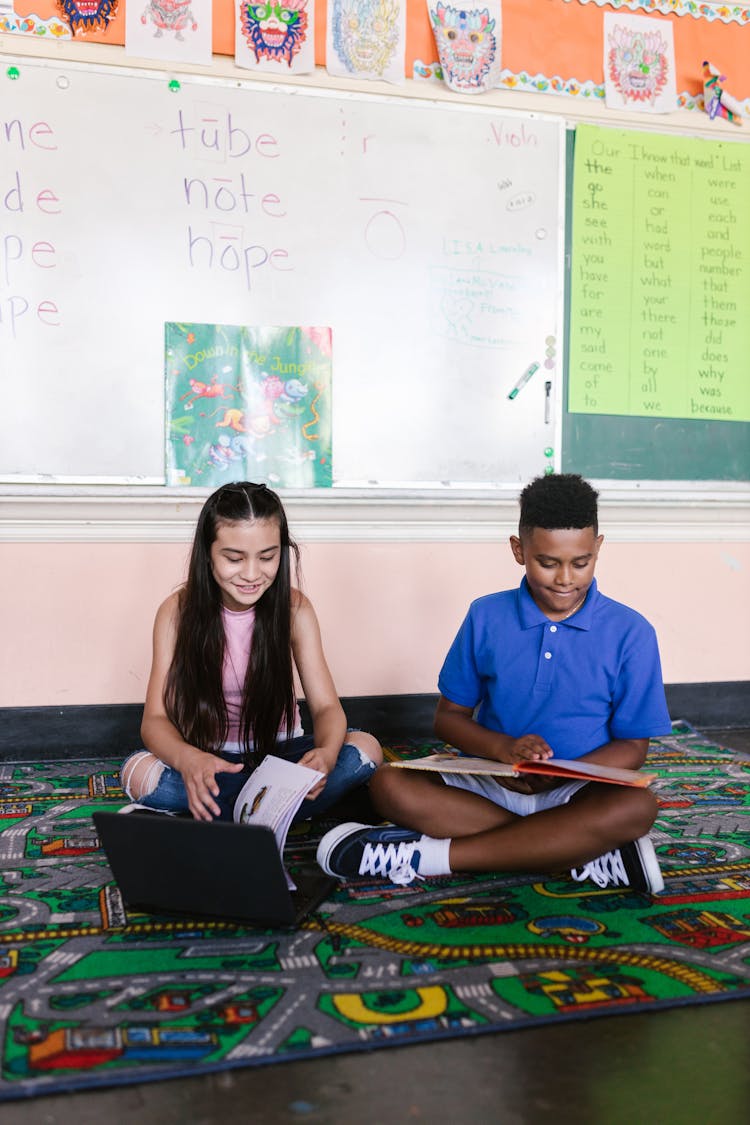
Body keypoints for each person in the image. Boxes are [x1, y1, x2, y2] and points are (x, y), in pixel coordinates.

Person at [317, 473, 671, 894]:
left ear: (598, 548)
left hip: (578, 792)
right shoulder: (486, 616)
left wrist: (563, 773)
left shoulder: (632, 632)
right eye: (548, 562)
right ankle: (578, 850)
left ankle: (426, 858)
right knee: (389, 785)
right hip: (493, 783)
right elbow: (448, 720)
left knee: (637, 807)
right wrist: (504, 752)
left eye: (580, 562)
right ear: (518, 550)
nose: (564, 579)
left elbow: (634, 747)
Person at [120, 482, 382, 822]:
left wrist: (326, 755)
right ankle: (272, 810)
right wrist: (188, 760)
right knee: (137, 772)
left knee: (365, 748)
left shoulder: (295, 609)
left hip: (279, 758)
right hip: (208, 759)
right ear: (207, 553)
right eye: (233, 558)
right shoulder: (176, 611)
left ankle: (227, 812)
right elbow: (154, 721)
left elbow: (328, 707)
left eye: (267, 557)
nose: (251, 574)